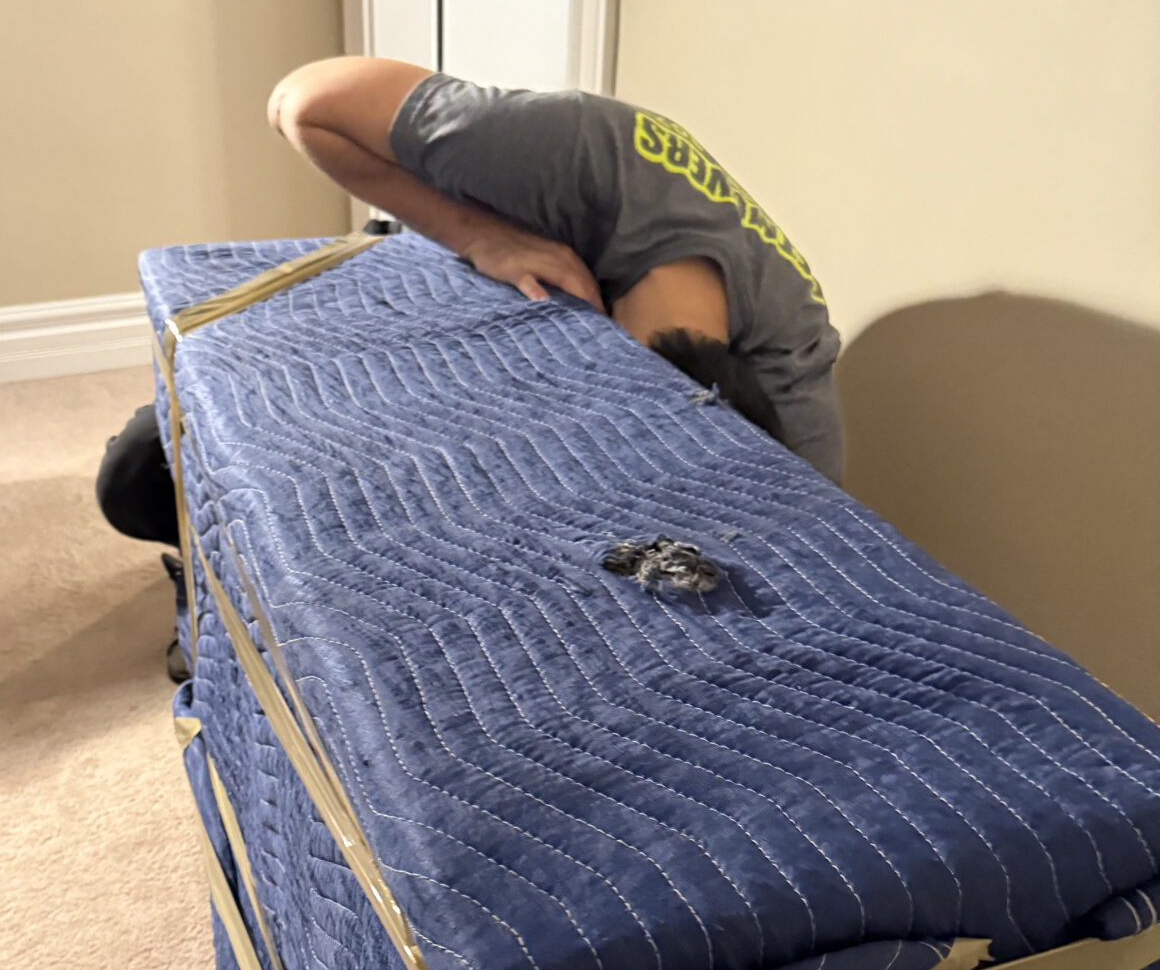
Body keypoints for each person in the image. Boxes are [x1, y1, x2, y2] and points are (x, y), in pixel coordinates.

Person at [97, 59, 843, 675]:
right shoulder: (577, 149)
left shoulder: (792, 408)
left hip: (519, 338)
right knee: (135, 483)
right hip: (428, 270)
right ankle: (208, 573)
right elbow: (302, 100)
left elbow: (797, 600)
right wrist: (479, 235)